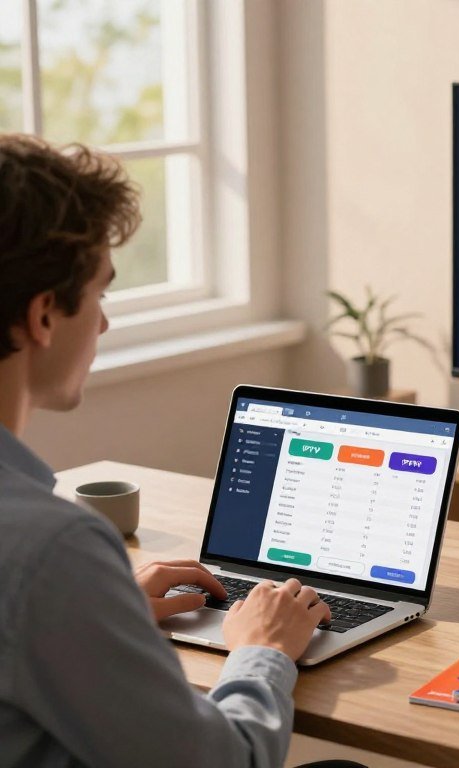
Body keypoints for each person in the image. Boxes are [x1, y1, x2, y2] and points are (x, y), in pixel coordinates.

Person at [0, 134, 342, 768]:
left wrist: (105, 612)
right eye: (100, 294)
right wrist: (262, 648)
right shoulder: (51, 548)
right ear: (44, 315)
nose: (102, 324)